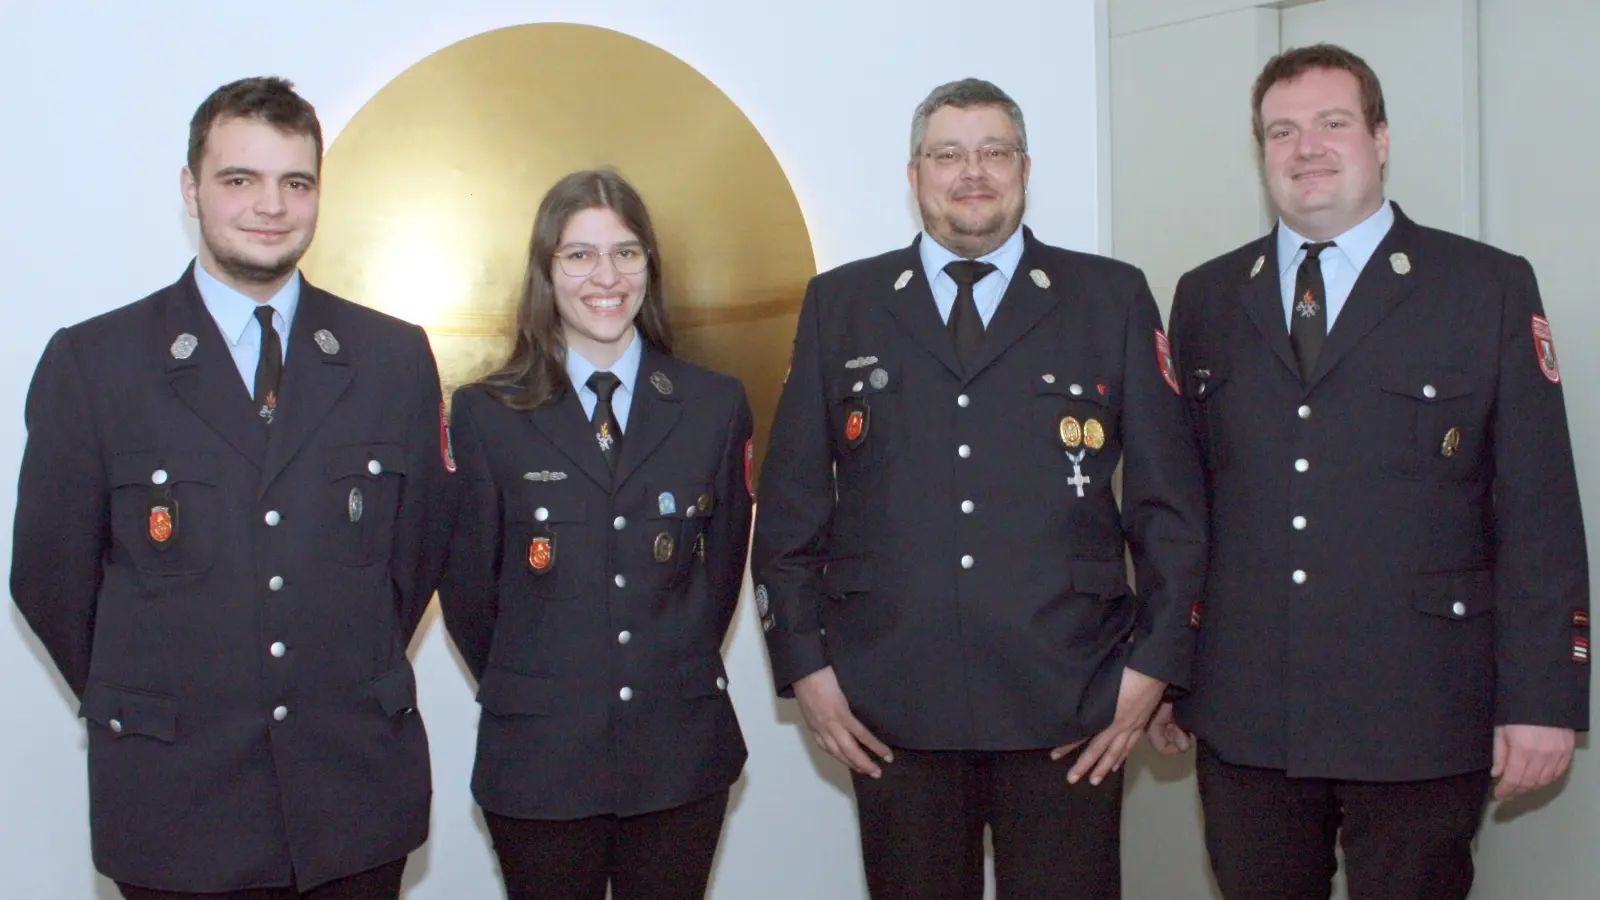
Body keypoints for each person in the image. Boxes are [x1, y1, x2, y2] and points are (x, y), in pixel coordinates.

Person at [749, 78, 1208, 900]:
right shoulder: (841, 305)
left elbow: (1171, 508)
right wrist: (805, 670)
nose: (973, 172)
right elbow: (789, 511)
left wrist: (1155, 672)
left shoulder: (1109, 297)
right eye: (948, 154)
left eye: (994, 151)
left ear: (1025, 168)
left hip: (1073, 704)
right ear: (915, 173)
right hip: (892, 706)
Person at [1152, 43, 1591, 900]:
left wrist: (1546, 697)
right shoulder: (1204, 298)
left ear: (1380, 139)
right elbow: (1181, 509)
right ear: (1261, 152)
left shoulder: (1484, 286)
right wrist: (1170, 669)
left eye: (1332, 123)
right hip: (1248, 716)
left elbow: (1538, 508)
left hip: (1420, 709)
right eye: (1281, 130)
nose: (1305, 147)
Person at [8, 76, 455, 899]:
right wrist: (158, 692)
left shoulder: (392, 358)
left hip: (350, 800)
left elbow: (415, 556)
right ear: (191, 190)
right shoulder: (95, 363)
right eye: (239, 179)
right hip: (178, 802)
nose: (270, 207)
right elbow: (49, 577)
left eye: (296, 182)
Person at [438, 168, 754, 900]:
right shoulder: (486, 415)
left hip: (678, 757)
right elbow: (471, 599)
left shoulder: (714, 405)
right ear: (547, 271)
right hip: (539, 760)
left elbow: (715, 584)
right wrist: (544, 685)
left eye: (626, 252)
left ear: (650, 265)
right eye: (578, 255)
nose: (605, 276)